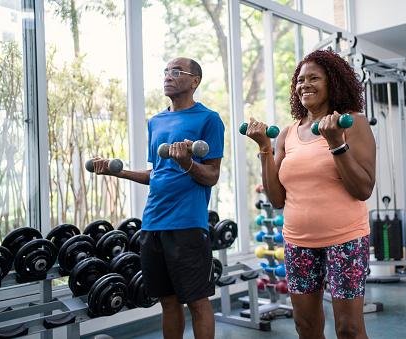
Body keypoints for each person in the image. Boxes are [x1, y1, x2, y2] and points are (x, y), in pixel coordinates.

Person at [244, 49, 376, 339]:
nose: (305, 84)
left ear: (334, 83)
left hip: (346, 239)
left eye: (314, 78)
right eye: (300, 80)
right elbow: (277, 199)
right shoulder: (288, 134)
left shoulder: (352, 123)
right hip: (298, 241)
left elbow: (363, 189)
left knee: (349, 329)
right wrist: (265, 148)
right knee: (306, 327)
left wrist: (335, 144)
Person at [91, 57, 224, 339]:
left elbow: (212, 175)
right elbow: (158, 173)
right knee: (167, 301)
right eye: (166, 72)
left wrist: (188, 162)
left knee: (197, 301)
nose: (168, 76)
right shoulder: (157, 121)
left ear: (194, 81)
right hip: (152, 224)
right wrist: (119, 173)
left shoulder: (209, 119)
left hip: (187, 224)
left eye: (177, 72)